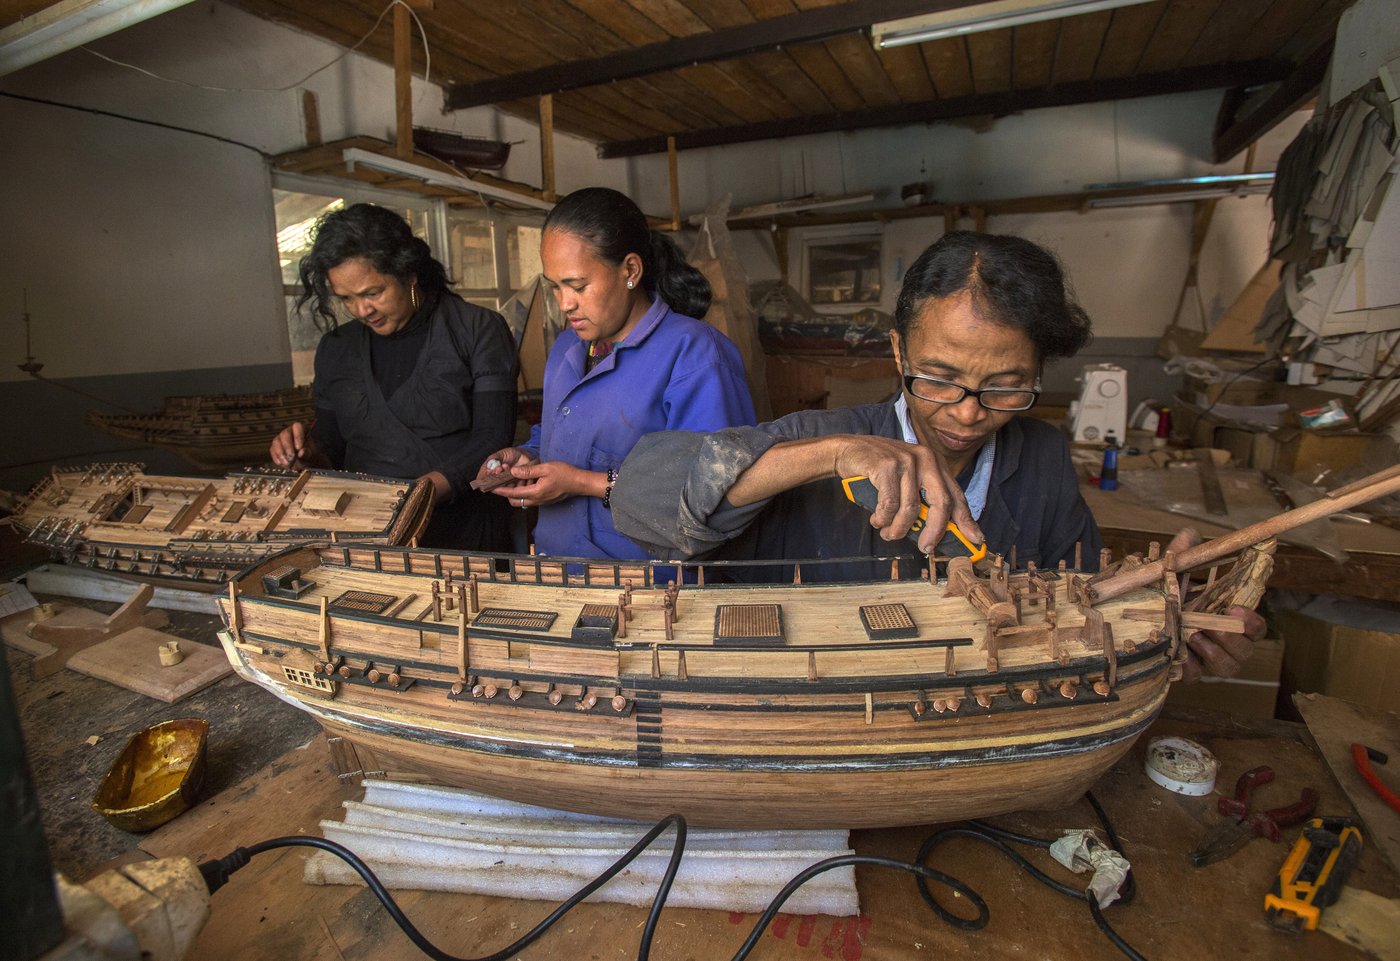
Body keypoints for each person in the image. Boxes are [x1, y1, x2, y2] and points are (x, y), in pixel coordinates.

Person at [612, 231, 1264, 680]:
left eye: (1007, 384)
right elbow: (637, 495)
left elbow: (1080, 601)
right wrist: (830, 455)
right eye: (939, 377)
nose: (968, 410)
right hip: (820, 747)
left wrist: (1156, 625)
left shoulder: (1038, 456)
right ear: (898, 354)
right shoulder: (820, 437)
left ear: (1039, 370)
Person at [477, 187, 756, 559]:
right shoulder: (568, 347)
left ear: (630, 270)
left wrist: (581, 483)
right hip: (557, 563)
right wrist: (529, 458)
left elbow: (722, 489)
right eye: (555, 287)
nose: (565, 304)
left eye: (577, 286)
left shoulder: (696, 353)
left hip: (649, 582)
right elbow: (564, 434)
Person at [270, 203, 517, 551]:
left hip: (464, 530)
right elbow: (331, 449)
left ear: (408, 274)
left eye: (373, 293)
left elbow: (493, 438)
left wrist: (423, 493)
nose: (361, 310)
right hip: (367, 531)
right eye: (346, 299)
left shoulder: (477, 329)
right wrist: (304, 452)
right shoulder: (336, 349)